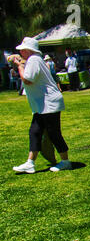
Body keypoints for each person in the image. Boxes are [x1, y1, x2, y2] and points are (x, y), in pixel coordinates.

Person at [12, 37, 72, 174]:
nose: (21, 53)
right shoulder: (34, 60)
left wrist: (20, 66)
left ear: (28, 50)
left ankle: (65, 161)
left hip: (49, 103)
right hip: (43, 104)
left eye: (23, 50)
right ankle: (30, 162)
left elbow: (27, 80)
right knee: (35, 131)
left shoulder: (33, 60)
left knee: (53, 133)